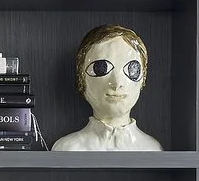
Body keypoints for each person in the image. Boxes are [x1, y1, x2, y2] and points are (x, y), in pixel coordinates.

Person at [52, 24, 162, 152]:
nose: (117, 83)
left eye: (132, 69)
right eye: (100, 68)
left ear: (143, 77)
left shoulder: (152, 149)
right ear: (81, 78)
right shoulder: (67, 149)